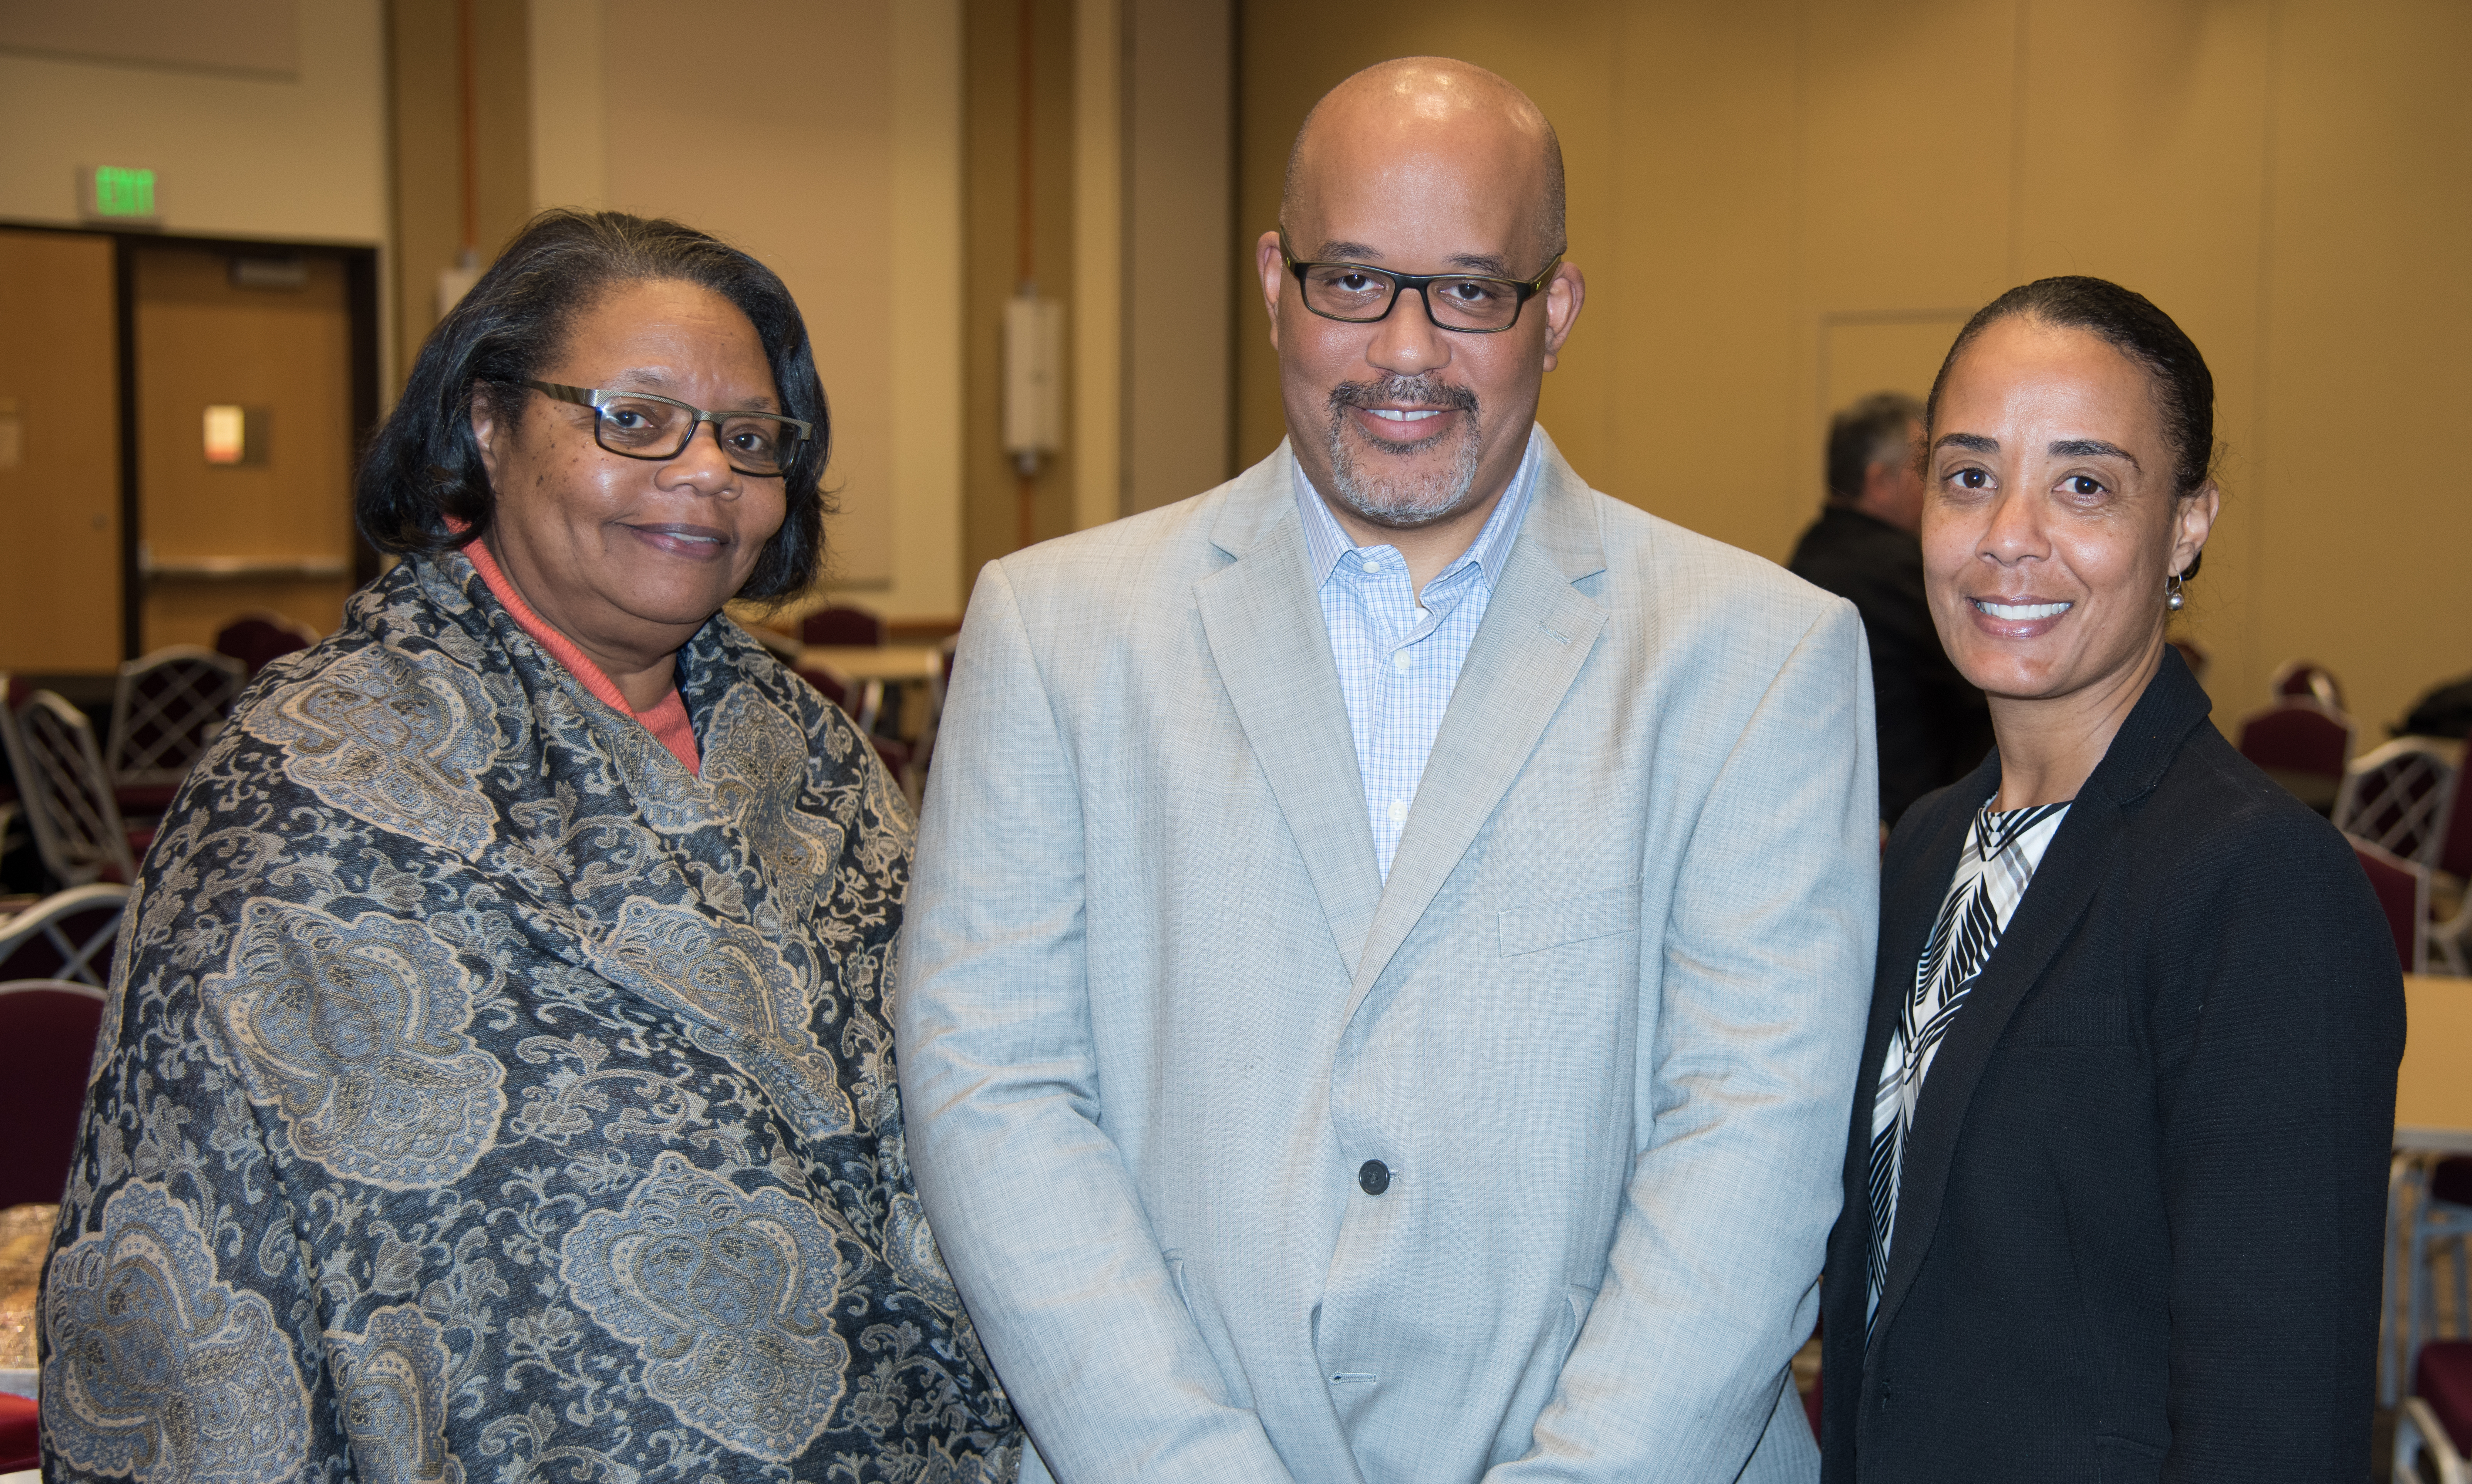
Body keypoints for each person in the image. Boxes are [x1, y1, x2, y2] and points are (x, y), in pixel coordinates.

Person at [899, 57, 1878, 1484]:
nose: (1402, 348)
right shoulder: (1056, 631)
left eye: (1470, 290)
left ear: (1557, 308)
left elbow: (1750, 1133)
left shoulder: (1759, 656)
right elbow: (992, 1085)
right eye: (1351, 279)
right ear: (1270, 279)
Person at [40, 211, 1018, 1484]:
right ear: (489, 422)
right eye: (635, 418)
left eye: (747, 436)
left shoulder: (811, 747)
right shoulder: (318, 776)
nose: (705, 471)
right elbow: (197, 1256)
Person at [1818, 276, 2404, 1482]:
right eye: (1969, 475)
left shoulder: (2258, 887)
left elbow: (2277, 1421)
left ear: (2186, 523)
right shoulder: (1933, 842)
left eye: (2082, 484)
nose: (2008, 535)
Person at [1789, 392, 1993, 825]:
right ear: (1880, 482)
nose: (1940, 490)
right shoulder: (1897, 569)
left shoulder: (1806, 556)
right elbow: (1989, 682)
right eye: (1927, 474)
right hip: (1912, 821)